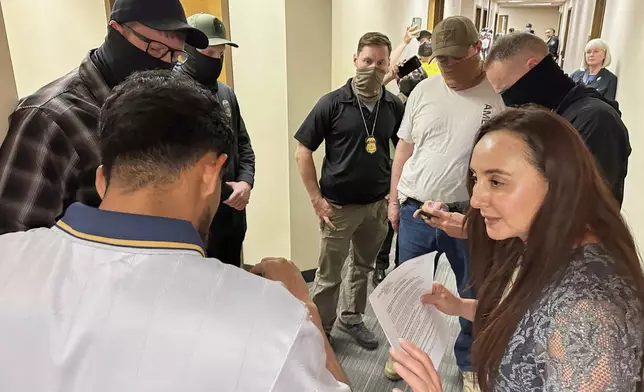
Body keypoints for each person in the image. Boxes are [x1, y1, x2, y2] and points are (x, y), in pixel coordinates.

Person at [0, 70, 350, 392]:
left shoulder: (8, 257)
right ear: (212, 173)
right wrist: (305, 307)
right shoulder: (275, 324)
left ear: (102, 179)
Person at [392, 108, 644, 392]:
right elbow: (529, 325)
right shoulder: (548, 244)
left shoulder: (585, 318)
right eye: (476, 178)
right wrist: (460, 307)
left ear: (557, 182)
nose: (475, 199)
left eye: (497, 181)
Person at [0, 0, 208, 235]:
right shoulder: (50, 119)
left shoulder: (153, 105)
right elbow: (14, 239)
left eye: (175, 56)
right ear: (117, 30)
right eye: (156, 49)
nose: (164, 63)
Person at [386, 16, 505, 385]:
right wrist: (393, 200)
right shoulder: (423, 91)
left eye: (455, 58)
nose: (447, 65)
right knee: (410, 287)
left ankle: (470, 363)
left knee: (472, 289)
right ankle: (407, 355)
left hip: (467, 214)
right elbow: (404, 148)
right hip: (416, 208)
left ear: (476, 49)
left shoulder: (497, 98)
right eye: (441, 58)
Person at [295, 32, 404, 350]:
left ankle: (352, 318)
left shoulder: (392, 105)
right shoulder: (332, 103)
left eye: (381, 63)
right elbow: (303, 151)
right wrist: (316, 200)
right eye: (368, 61)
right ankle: (322, 329)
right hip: (338, 208)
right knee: (328, 275)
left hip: (376, 206)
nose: (374, 67)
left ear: (388, 65)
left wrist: (392, 196)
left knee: (363, 268)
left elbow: (402, 152)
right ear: (355, 60)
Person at [485, 32, 630, 206]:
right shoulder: (555, 114)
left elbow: (576, 204)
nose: (508, 101)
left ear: (533, 67)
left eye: (507, 90)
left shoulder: (595, 120)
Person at [175, 13, 255, 266]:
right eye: (210, 54)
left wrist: (246, 181)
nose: (216, 61)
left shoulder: (225, 93)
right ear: (187, 50)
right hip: (193, 215)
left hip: (232, 211)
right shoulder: (170, 92)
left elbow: (242, 143)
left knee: (231, 279)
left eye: (221, 55)